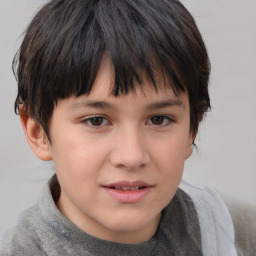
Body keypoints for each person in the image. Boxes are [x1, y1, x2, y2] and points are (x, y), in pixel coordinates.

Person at [0, 0, 255, 255]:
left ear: (192, 129)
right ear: (39, 133)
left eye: (159, 119)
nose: (131, 156)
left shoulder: (232, 233)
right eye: (96, 120)